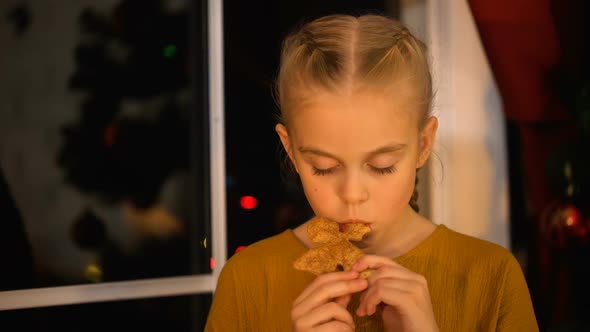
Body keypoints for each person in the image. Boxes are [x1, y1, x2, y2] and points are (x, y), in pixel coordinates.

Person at [204, 14, 539, 331]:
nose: (352, 194)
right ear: (290, 149)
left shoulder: (491, 276)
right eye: (324, 168)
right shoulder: (246, 279)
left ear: (423, 144)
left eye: (382, 167)